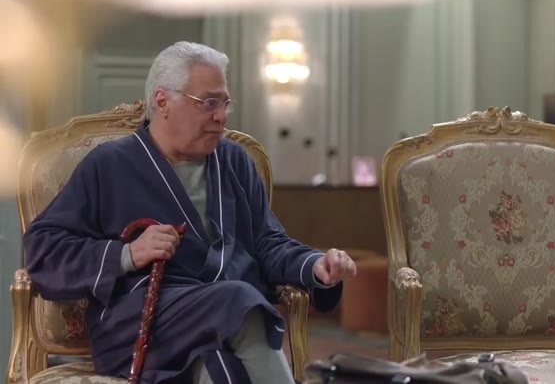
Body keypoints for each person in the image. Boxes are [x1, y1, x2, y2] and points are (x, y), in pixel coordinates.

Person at [23, 41, 357, 383]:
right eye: (208, 102)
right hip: (146, 325)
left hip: (223, 327)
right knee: (239, 299)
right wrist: (127, 254)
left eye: (225, 103)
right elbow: (43, 248)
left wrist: (314, 264)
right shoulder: (108, 165)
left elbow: (266, 241)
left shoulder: (235, 161)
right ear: (162, 102)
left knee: (223, 370)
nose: (221, 116)